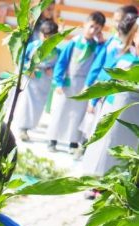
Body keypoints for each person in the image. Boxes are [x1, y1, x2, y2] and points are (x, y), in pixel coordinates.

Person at [81, 14, 139, 178]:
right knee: (105, 144)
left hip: (134, 118)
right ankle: (95, 179)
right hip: (112, 110)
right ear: (134, 36)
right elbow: (103, 80)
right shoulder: (122, 58)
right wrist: (92, 101)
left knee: (126, 149)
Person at [47, 11, 106, 155]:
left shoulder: (97, 47)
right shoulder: (74, 41)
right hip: (68, 82)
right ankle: (52, 140)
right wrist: (58, 81)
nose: (93, 31)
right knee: (60, 111)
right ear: (85, 24)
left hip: (83, 85)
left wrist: (102, 42)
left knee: (77, 115)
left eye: (97, 29)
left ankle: (73, 142)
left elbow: (99, 62)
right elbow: (62, 63)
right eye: (91, 26)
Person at [15, 19, 60, 141]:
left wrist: (53, 69)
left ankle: (31, 126)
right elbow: (21, 59)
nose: (46, 39)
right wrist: (28, 69)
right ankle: (22, 128)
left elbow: (60, 65)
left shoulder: (57, 50)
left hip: (45, 80)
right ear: (40, 34)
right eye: (44, 35)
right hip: (31, 78)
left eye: (50, 37)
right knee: (27, 103)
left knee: (39, 105)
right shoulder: (32, 46)